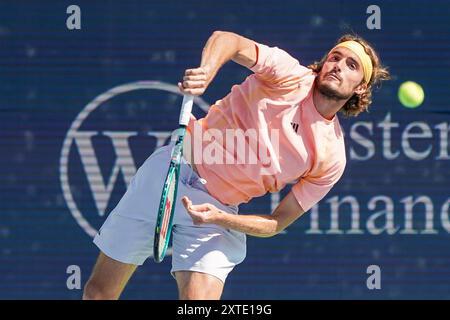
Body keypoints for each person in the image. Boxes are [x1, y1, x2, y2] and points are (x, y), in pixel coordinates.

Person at [83, 30, 390, 300]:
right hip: (173, 169)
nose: (338, 65)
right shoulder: (289, 75)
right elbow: (226, 39)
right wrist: (206, 71)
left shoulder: (332, 155)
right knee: (98, 293)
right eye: (335, 57)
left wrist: (220, 218)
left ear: (360, 88)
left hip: (218, 211)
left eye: (351, 65)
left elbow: (276, 222)